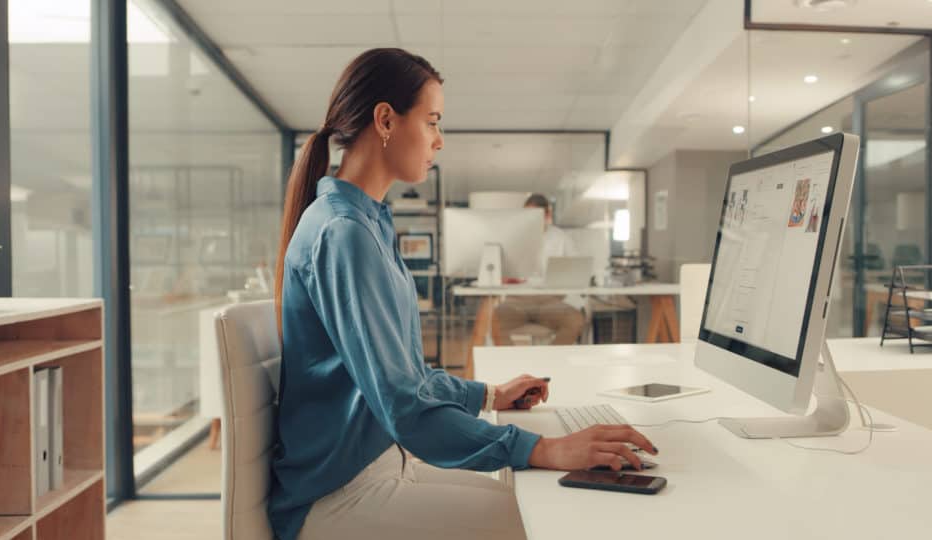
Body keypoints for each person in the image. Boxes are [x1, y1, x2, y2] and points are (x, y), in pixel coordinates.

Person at [269, 48, 657, 540]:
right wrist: (545, 448)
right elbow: (405, 407)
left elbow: (404, 378)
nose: (439, 140)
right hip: (337, 493)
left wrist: (489, 395)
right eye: (432, 122)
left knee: (538, 495)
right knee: (552, 518)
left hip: (376, 460)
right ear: (386, 119)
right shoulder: (343, 232)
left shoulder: (364, 224)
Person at [492, 194, 586, 346]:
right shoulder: (513, 238)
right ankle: (514, 367)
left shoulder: (562, 239)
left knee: (575, 321)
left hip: (551, 302)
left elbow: (578, 269)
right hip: (517, 301)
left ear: (547, 214)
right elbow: (497, 270)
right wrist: (502, 276)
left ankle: (549, 362)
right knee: (495, 320)